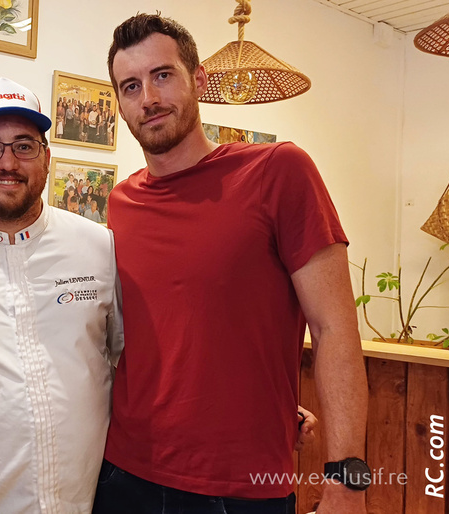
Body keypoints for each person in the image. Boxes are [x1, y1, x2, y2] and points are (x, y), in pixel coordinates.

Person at [93, 13, 369, 514]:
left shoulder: (279, 171)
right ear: (119, 103)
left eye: (162, 75)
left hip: (241, 489)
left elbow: (335, 330)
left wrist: (346, 482)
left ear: (198, 80)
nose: (149, 98)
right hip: (123, 474)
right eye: (130, 86)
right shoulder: (121, 203)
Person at [0, 77, 123, 513]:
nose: (7, 162)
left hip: (89, 501)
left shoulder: (100, 247)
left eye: (24, 146)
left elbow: (135, 362)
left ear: (47, 158)